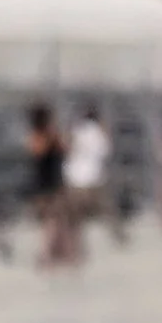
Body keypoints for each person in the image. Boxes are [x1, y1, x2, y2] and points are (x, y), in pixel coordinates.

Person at [24, 101, 77, 268]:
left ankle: (66, 255)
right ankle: (46, 256)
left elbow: (66, 150)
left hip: (55, 185)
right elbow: (38, 151)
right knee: (51, 222)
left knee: (61, 221)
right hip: (45, 187)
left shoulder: (51, 136)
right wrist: (53, 138)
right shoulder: (37, 136)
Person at [64, 105, 114, 245]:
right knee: (105, 208)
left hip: (75, 176)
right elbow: (106, 152)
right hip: (94, 176)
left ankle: (73, 237)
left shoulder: (76, 130)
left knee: (75, 210)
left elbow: (68, 149)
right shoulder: (98, 132)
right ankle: (116, 233)